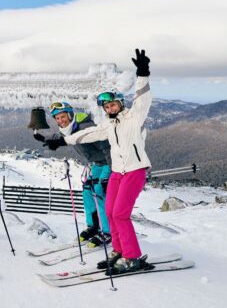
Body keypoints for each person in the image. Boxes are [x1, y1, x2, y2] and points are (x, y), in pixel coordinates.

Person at [45, 49, 154, 274]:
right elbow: (88, 134)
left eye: (113, 104)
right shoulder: (108, 125)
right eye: (106, 107)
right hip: (117, 171)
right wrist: (62, 140)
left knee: (121, 214)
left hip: (134, 170)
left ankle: (132, 257)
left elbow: (143, 98)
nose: (109, 108)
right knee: (111, 211)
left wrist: (143, 73)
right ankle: (118, 250)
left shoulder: (134, 117)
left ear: (120, 104)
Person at [33, 101, 112, 248]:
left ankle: (108, 232)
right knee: (87, 191)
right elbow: (61, 137)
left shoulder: (85, 127)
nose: (60, 121)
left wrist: (109, 173)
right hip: (96, 164)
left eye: (63, 117)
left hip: (108, 162)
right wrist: (45, 138)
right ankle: (93, 226)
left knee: (100, 192)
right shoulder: (70, 128)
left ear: (70, 115)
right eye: (57, 118)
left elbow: (107, 147)